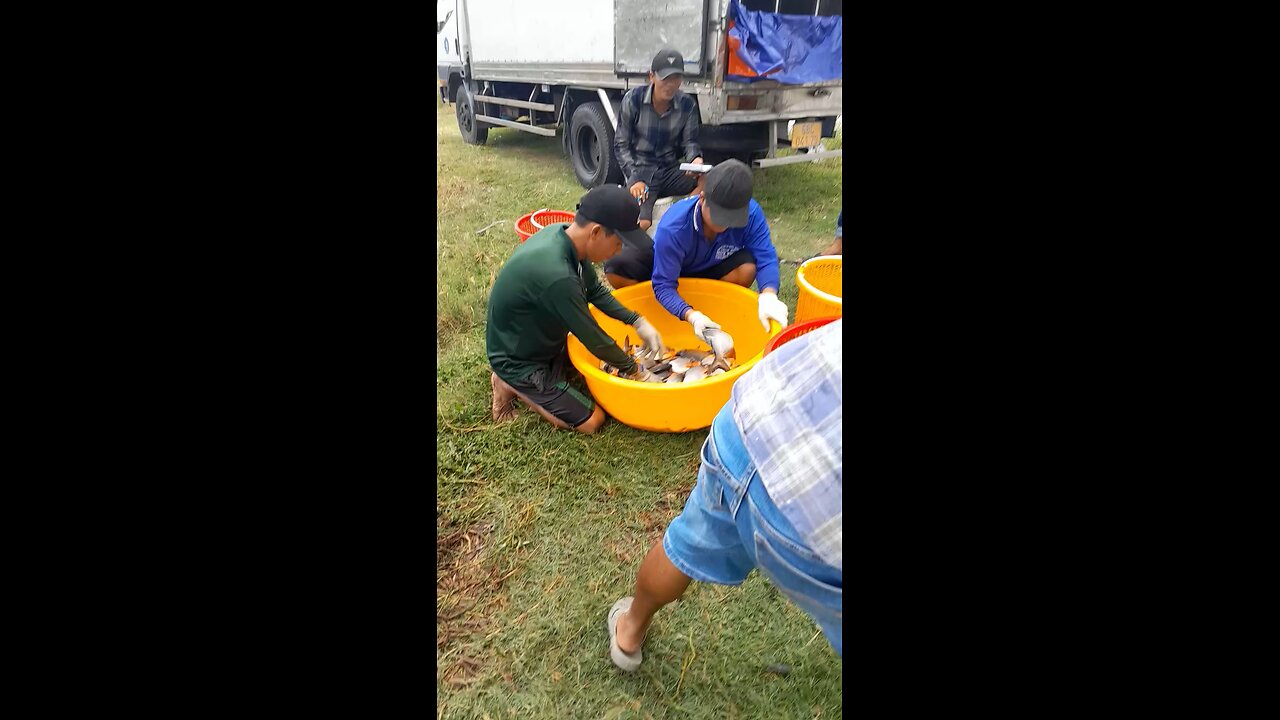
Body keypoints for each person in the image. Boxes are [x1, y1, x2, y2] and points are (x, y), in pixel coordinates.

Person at [605, 319, 842, 670]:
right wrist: (688, 314)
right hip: (810, 516)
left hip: (750, 418)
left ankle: (630, 628)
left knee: (686, 543)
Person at [487, 185, 663, 434]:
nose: (620, 251)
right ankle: (508, 382)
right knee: (592, 421)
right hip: (518, 359)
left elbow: (596, 292)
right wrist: (636, 370)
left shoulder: (565, 237)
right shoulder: (558, 275)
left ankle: (543, 375)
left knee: (577, 374)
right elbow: (592, 337)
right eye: (617, 243)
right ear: (596, 232)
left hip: (542, 339)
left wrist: (636, 320)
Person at [605, 159, 790, 336]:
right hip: (675, 267)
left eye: (731, 218)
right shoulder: (674, 226)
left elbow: (765, 256)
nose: (724, 225)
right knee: (617, 267)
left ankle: (715, 310)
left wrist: (768, 294)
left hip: (711, 269)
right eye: (719, 216)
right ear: (702, 199)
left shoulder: (752, 213)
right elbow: (663, 285)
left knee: (748, 267)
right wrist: (691, 316)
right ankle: (656, 313)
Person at [613, 48, 704, 232]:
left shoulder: (687, 105)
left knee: (708, 180)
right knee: (644, 222)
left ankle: (684, 219)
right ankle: (624, 250)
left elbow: (690, 142)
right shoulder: (633, 100)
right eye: (665, 79)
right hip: (642, 172)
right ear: (651, 77)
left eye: (676, 78)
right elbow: (621, 145)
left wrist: (695, 159)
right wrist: (634, 178)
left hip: (669, 169)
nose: (671, 85)